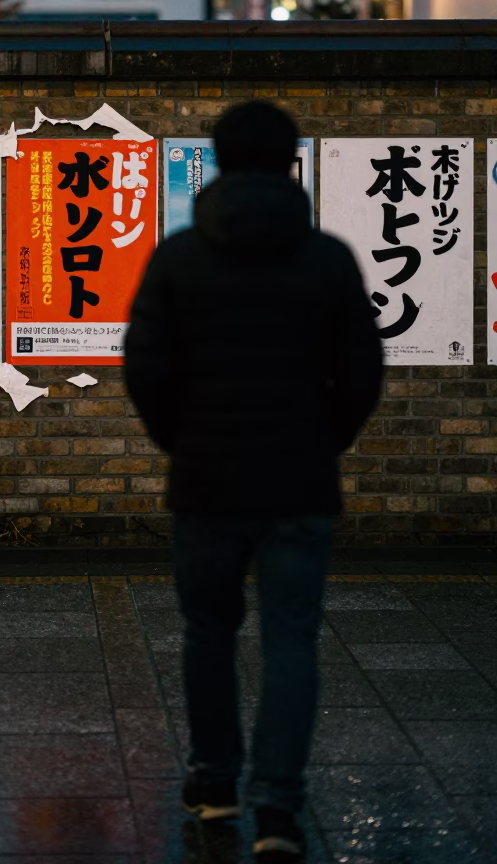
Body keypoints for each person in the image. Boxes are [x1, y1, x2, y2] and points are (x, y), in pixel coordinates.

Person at [125, 101, 382, 863]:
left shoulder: (179, 257)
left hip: (207, 479)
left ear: (219, 159)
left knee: (209, 632)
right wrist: (323, 439)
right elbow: (363, 373)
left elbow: (145, 368)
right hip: (301, 480)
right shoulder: (329, 258)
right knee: (292, 639)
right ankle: (278, 808)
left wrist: (183, 440)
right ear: (292, 161)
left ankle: (214, 783)